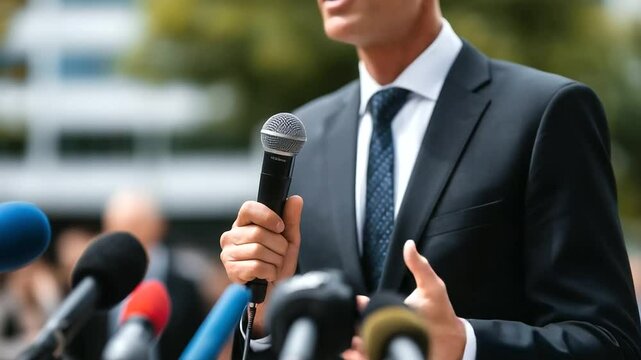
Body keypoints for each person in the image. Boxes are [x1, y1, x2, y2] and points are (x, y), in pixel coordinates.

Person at [220, 0, 641, 358]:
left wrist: (465, 344)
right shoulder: (305, 133)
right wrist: (269, 310)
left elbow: (608, 340)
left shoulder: (546, 112)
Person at [68, 190, 207, 360]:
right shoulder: (93, 283)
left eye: (135, 224)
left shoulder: (185, 284)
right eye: (117, 224)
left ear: (158, 226)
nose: (127, 233)